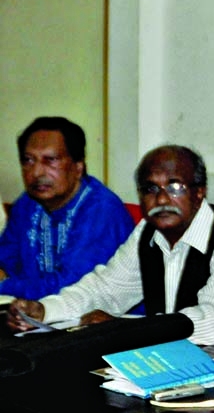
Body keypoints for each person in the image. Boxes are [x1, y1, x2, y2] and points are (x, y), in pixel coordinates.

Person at [7, 145, 214, 346]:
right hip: (164, 363)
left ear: (199, 192)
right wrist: (45, 310)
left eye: (175, 187)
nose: (162, 199)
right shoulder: (148, 230)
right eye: (150, 189)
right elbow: (106, 290)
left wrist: (127, 331)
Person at [0, 117, 135, 300]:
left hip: (102, 315)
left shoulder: (101, 210)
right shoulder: (28, 204)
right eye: (28, 160)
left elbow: (73, 287)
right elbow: (5, 260)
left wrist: (5, 285)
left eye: (51, 160)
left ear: (78, 167)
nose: (36, 172)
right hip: (36, 311)